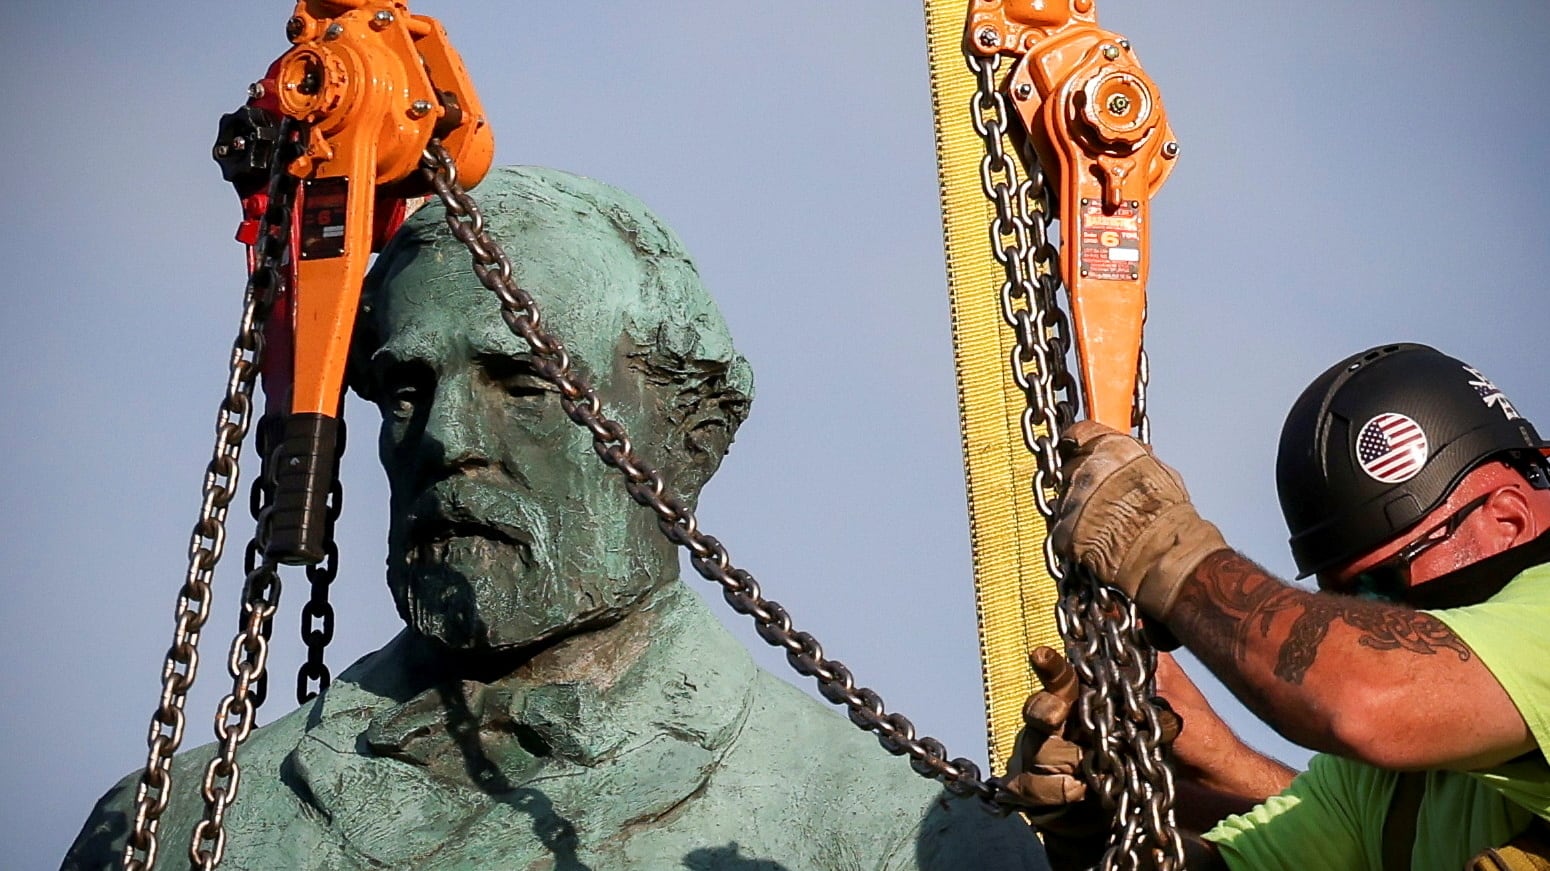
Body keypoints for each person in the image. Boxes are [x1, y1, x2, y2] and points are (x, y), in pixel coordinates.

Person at [65, 167, 1046, 870]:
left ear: (691, 435)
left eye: (521, 383)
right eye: (406, 389)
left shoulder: (900, 840)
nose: (447, 439)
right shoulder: (170, 827)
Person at [1004, 343, 1550, 869]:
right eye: (1340, 601)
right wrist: (1101, 822)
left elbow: (1362, 698)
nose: (1362, 618)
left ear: (1508, 520)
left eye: (1380, 583)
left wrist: (1165, 551)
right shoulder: (1388, 785)